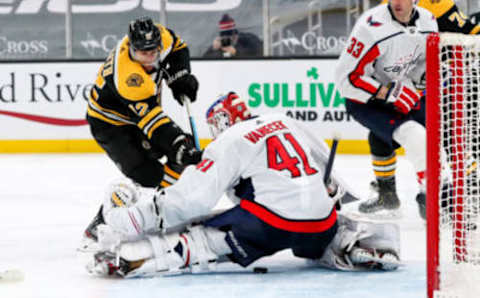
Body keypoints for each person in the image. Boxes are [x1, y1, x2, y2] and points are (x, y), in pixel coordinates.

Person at [85, 92, 401, 278]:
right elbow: (332, 182)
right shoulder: (286, 121)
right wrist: (331, 202)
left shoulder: (230, 139)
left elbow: (192, 200)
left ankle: (128, 258)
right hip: (319, 223)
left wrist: (140, 217)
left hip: (271, 224)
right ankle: (346, 242)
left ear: (222, 123)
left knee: (203, 237)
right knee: (319, 226)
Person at [82, 17, 202, 247]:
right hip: (110, 124)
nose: (149, 58)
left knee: (181, 152)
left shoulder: (162, 37)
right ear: (131, 47)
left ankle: (160, 211)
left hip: (138, 116)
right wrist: (177, 147)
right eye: (141, 53)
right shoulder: (128, 77)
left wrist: (179, 76)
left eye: (153, 52)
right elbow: (153, 122)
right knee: (148, 174)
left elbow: (178, 49)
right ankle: (102, 222)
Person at [361, 0, 480, 218]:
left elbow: (472, 34)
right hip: (403, 91)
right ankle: (387, 194)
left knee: (451, 141)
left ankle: (468, 196)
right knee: (379, 136)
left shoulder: (437, 4)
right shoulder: (385, 8)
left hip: (439, 90)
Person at [335, 0, 438, 218]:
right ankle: (429, 196)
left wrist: (419, 82)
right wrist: (389, 93)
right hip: (366, 99)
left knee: (430, 132)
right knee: (415, 135)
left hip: (403, 90)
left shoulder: (429, 21)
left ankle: (386, 194)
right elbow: (346, 78)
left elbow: (423, 63)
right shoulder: (370, 28)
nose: (397, 2)